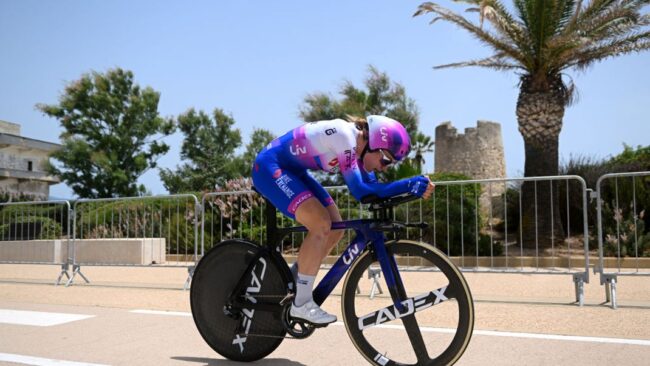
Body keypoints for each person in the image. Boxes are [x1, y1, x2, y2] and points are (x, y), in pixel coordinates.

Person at [251, 115, 435, 325]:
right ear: (374, 144)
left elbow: (372, 192)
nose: (384, 168)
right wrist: (408, 184)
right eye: (386, 160)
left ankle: (292, 281)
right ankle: (301, 303)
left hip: (293, 171)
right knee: (321, 224)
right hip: (270, 167)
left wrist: (411, 189)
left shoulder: (359, 151)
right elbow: (360, 191)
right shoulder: (344, 136)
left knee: (335, 228)